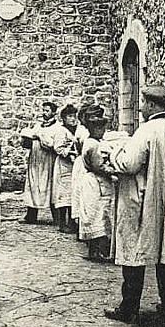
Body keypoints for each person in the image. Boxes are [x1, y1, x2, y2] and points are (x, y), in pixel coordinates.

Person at [102, 85, 165, 326]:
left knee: (133, 253)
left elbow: (129, 164)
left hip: (142, 201)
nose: (140, 107)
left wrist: (114, 154)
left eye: (143, 103)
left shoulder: (146, 130)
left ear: (151, 105)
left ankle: (128, 308)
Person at [77, 105, 115, 261]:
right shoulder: (92, 144)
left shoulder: (96, 142)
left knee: (98, 215)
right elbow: (98, 166)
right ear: (93, 129)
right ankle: (96, 250)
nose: (102, 131)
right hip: (95, 183)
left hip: (95, 181)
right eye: (99, 128)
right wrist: (112, 169)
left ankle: (98, 250)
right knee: (97, 215)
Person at [20, 101, 59, 224]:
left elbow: (53, 144)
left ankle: (57, 217)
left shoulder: (57, 128)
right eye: (43, 110)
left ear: (54, 112)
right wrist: (27, 138)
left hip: (48, 161)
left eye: (47, 111)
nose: (44, 113)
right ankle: (31, 215)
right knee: (33, 185)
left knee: (50, 186)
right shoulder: (38, 125)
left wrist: (40, 137)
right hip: (35, 161)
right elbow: (29, 140)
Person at [51, 104, 79, 233]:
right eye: (69, 116)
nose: (73, 119)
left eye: (74, 116)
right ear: (63, 118)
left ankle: (73, 222)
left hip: (75, 166)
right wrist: (69, 153)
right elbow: (58, 148)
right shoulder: (61, 131)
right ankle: (62, 223)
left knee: (74, 193)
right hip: (64, 165)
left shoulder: (78, 130)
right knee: (64, 194)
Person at [70, 103, 93, 236]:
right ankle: (81, 227)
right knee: (81, 196)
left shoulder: (83, 130)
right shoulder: (82, 131)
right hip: (82, 163)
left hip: (83, 162)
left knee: (84, 197)